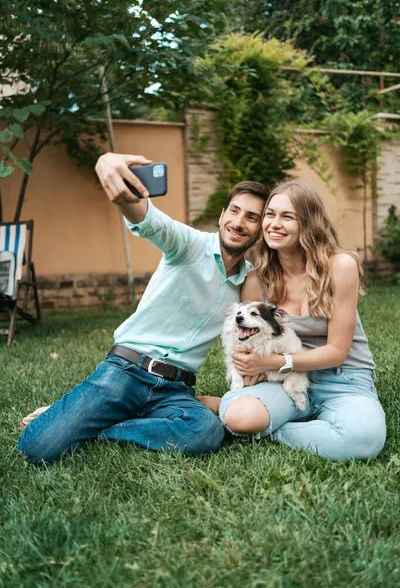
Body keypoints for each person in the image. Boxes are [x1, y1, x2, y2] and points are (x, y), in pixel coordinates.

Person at [18, 153, 269, 463]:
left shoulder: (248, 282)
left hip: (176, 390)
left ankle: (99, 428)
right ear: (222, 215)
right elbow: (148, 219)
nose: (239, 223)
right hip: (127, 371)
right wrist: (107, 164)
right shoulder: (188, 245)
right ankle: (76, 417)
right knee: (37, 447)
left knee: (206, 432)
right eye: (235, 211)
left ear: (260, 229)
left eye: (252, 218)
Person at [201, 181, 386, 462]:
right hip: (281, 380)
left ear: (309, 223)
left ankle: (276, 429)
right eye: (270, 215)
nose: (274, 224)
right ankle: (247, 411)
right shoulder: (256, 279)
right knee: (241, 417)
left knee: (364, 439)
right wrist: (253, 371)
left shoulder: (340, 266)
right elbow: (248, 346)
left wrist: (274, 363)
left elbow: (338, 351)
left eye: (287, 216)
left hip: (342, 378)